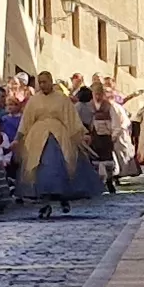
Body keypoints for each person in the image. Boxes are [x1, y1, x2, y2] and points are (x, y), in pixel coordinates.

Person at [20, 80, 95, 217]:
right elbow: (26, 119)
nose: (43, 85)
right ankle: (45, 202)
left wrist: (82, 133)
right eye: (41, 82)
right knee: (41, 168)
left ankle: (63, 197)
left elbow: (71, 117)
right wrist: (19, 137)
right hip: (37, 137)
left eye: (45, 81)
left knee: (62, 165)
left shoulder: (61, 99)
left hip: (59, 136)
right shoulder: (34, 100)